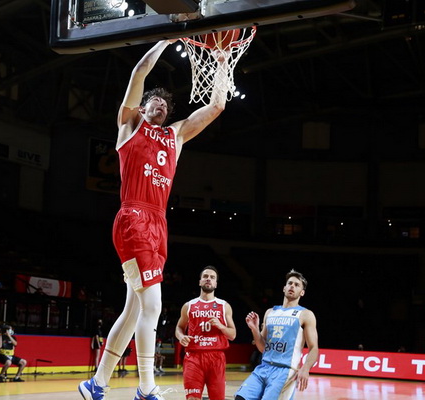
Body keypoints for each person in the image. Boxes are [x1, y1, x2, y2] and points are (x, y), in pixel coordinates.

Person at [78, 38, 228, 400]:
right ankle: (146, 388)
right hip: (134, 217)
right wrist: (165, 40)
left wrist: (222, 63)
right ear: (142, 108)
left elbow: (217, 106)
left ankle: (96, 384)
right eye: (154, 102)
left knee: (134, 310)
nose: (160, 105)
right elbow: (140, 71)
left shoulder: (175, 136)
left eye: (165, 104)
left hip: (158, 224)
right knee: (154, 306)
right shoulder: (129, 126)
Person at [235, 270, 319, 400]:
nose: (292, 286)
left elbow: (314, 348)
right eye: (290, 283)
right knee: (240, 398)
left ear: (302, 292)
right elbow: (262, 348)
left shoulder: (306, 315)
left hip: (285, 371)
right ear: (284, 288)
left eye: (297, 285)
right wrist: (255, 329)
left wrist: (306, 368)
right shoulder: (270, 312)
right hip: (264, 367)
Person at [175, 266, 237, 400]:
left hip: (216, 357)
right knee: (192, 398)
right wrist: (181, 336)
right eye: (205, 276)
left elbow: (232, 335)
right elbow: (179, 327)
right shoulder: (189, 305)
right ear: (200, 281)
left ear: (216, 284)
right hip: (194, 357)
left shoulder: (224, 306)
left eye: (212, 277)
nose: (208, 279)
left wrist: (220, 326)